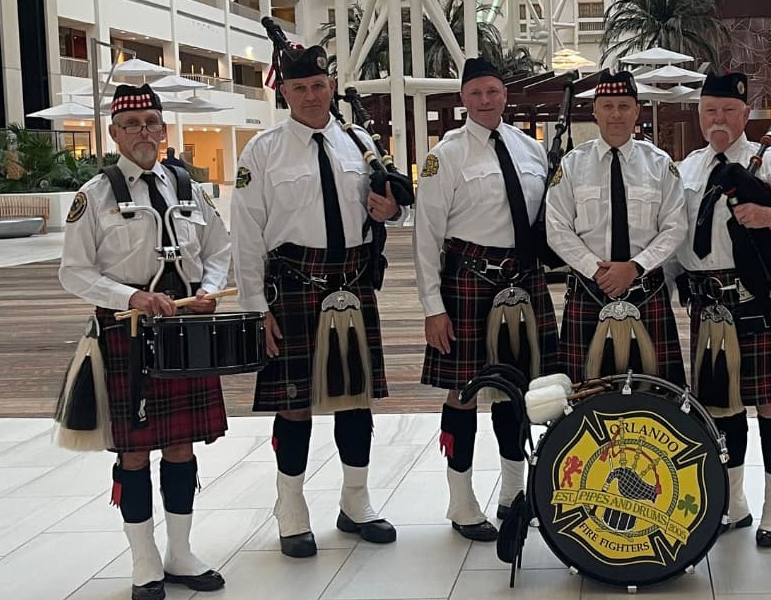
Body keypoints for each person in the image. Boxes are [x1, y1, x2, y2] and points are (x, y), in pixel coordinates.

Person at [59, 83, 230, 600]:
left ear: (163, 129)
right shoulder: (95, 194)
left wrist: (207, 289)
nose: (144, 133)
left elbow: (219, 248)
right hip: (126, 332)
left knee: (180, 444)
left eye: (152, 123)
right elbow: (73, 272)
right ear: (113, 132)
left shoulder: (188, 187)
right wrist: (128, 296)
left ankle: (181, 553)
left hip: (186, 329)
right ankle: (143, 561)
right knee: (133, 454)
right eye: (132, 125)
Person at [231, 44, 403, 558]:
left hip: (351, 283)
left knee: (355, 400)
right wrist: (254, 306)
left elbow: (386, 211)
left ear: (331, 86)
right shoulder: (262, 151)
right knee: (294, 405)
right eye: (300, 88)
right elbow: (245, 232)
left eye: (318, 85)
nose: (311, 95)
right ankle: (291, 510)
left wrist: (390, 210)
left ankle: (356, 503)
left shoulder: (358, 141)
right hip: (293, 287)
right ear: (284, 92)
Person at [414, 57, 559, 542]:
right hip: (467, 285)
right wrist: (433, 306)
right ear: (463, 98)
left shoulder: (529, 149)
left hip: (523, 282)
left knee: (519, 391)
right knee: (462, 392)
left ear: (504, 94)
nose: (486, 100)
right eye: (476, 93)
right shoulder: (446, 155)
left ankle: (514, 493)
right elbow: (426, 234)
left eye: (493, 91)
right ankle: (461, 501)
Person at [675, 72, 771, 547]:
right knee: (720, 407)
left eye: (728, 111)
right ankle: (732, 502)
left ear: (745, 114)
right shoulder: (686, 168)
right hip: (709, 305)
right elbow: (675, 236)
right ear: (700, 115)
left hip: (763, 301)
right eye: (710, 111)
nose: (718, 119)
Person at [546, 69, 688, 386]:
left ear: (637, 110)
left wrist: (635, 267)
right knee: (586, 399)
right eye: (608, 106)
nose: (616, 115)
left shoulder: (660, 163)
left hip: (645, 293)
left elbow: (675, 227)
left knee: (655, 398)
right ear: (594, 111)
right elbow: (556, 228)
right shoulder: (572, 165)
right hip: (589, 292)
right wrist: (597, 271)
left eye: (624, 106)